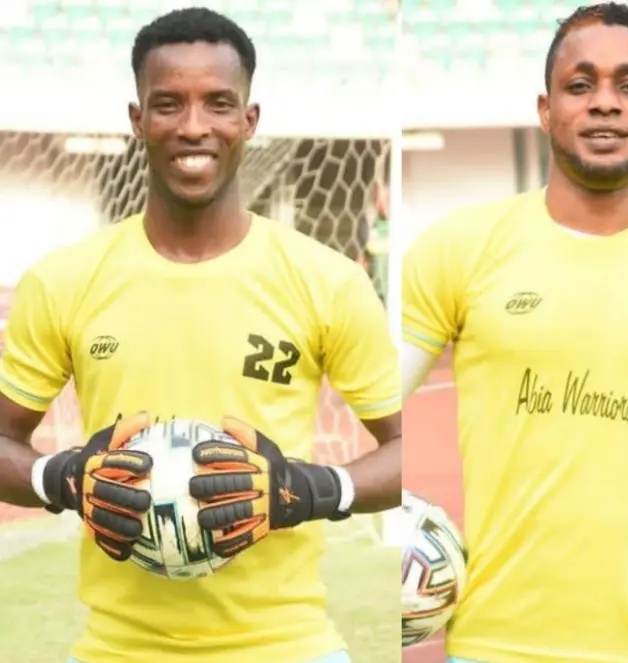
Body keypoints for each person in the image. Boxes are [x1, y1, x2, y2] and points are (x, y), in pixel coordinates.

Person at [0, 8, 401, 663]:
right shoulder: (63, 280)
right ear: (137, 120)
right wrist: (64, 477)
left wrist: (310, 490)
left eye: (218, 103)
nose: (193, 126)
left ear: (249, 119)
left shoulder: (327, 280)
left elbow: (409, 447)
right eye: (168, 104)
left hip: (287, 646)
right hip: (115, 650)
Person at [402, 3, 628, 663]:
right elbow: (369, 405)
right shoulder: (458, 248)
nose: (605, 102)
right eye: (580, 84)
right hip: (494, 647)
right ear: (546, 110)